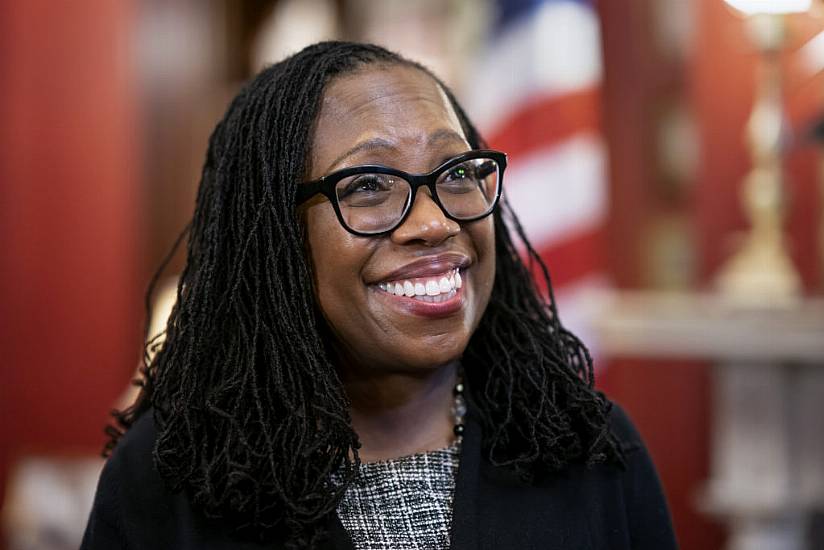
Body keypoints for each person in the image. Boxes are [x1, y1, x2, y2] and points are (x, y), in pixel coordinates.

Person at [81, 41, 676, 550]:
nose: (435, 223)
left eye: (458, 173)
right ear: (275, 236)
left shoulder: (590, 450)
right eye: (368, 184)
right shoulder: (168, 480)